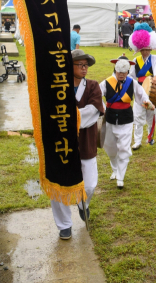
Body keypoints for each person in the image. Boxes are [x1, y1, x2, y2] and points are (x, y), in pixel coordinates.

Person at [51, 49, 104, 240]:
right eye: (80, 65)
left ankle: (84, 205)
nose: (84, 69)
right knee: (60, 186)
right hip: (61, 145)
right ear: (69, 66)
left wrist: (69, 118)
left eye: (86, 65)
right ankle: (64, 224)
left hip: (86, 143)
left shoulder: (92, 86)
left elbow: (94, 111)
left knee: (89, 185)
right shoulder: (58, 86)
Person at [100, 55, 154, 189]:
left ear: (128, 71)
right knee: (110, 148)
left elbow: (142, 96)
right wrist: (102, 108)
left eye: (124, 72)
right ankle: (115, 169)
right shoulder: (106, 82)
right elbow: (96, 96)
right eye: (119, 72)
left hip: (126, 120)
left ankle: (121, 177)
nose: (122, 75)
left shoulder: (132, 82)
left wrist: (147, 103)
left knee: (124, 148)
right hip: (110, 120)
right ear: (115, 70)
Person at [128, 24, 156, 149]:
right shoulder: (135, 61)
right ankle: (137, 141)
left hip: (151, 91)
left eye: (147, 49)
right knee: (138, 116)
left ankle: (150, 136)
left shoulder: (155, 58)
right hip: (139, 91)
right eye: (143, 49)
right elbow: (131, 76)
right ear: (139, 49)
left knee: (150, 115)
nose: (145, 51)